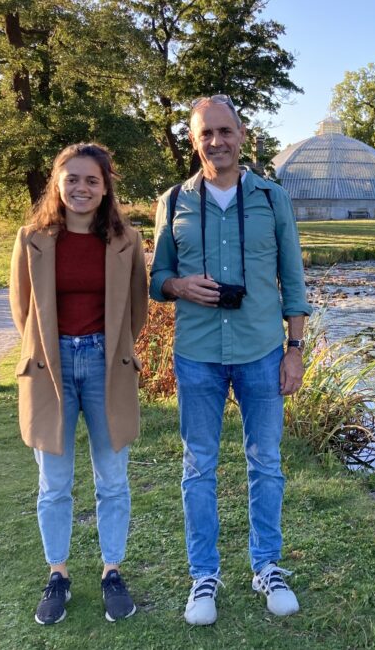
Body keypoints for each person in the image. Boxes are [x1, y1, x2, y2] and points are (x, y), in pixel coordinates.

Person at [149, 95, 312, 626]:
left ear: (243, 135)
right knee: (198, 465)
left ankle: (267, 567)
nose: (216, 142)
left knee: (265, 461)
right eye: (206, 134)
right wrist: (178, 285)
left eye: (225, 131)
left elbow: (293, 279)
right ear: (192, 140)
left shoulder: (272, 197)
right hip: (196, 353)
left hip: (261, 352)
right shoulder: (173, 201)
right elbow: (156, 280)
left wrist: (295, 350)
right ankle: (204, 576)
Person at [9, 143, 148, 625]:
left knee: (112, 480)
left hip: (107, 365)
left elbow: (137, 309)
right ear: (57, 184)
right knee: (54, 484)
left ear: (106, 186)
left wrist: (113, 350)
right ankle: (58, 574)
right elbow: (22, 312)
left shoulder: (125, 240)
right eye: (72, 179)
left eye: (92, 180)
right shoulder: (31, 240)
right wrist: (50, 352)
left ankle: (112, 570)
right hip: (52, 368)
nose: (81, 188)